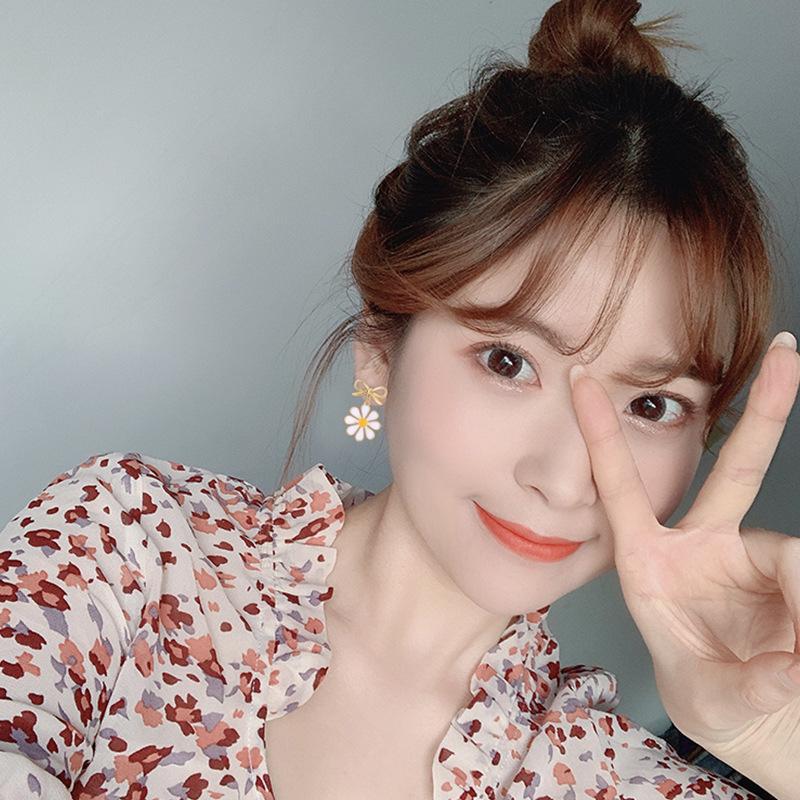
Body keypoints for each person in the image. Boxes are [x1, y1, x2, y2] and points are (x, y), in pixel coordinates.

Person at [0, 0, 798, 798]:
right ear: (382, 349)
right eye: (508, 361)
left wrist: (773, 744)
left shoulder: (617, 781)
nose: (564, 481)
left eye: (651, 406)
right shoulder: (127, 547)